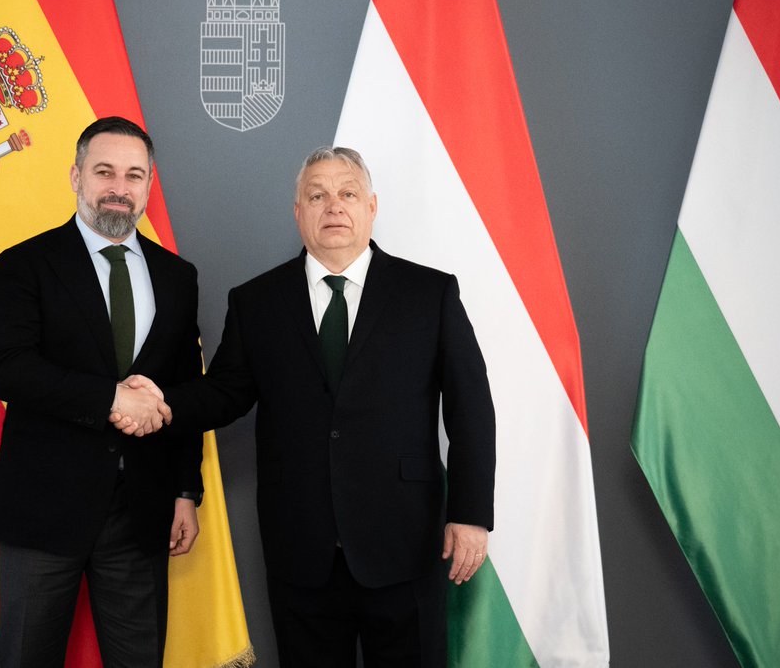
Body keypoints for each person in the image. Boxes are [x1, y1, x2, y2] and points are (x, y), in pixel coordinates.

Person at [114, 146, 496, 667]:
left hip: (403, 538)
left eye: (347, 194)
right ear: (298, 212)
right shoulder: (257, 302)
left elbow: (472, 408)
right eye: (317, 195)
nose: (333, 206)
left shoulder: (429, 293)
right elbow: (224, 391)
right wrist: (162, 402)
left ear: (371, 207)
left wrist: (471, 514)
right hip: (301, 545)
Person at [0, 116, 203, 668]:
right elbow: (1, 367)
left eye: (133, 175)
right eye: (104, 172)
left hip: (142, 513)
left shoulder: (178, 276)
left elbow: (184, 392)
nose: (119, 188)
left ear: (149, 185)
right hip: (42, 508)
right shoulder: (24, 264)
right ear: (76, 176)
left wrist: (184, 492)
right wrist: (109, 398)